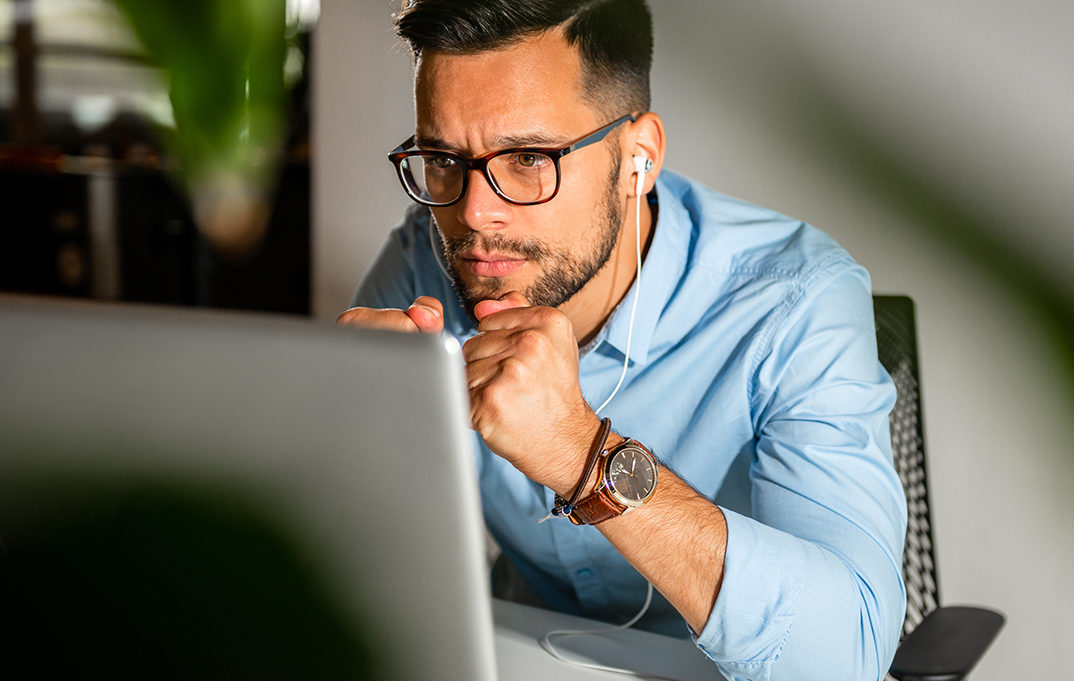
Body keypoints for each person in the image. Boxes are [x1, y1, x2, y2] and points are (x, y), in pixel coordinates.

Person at [338, 2, 907, 680]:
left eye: (527, 158)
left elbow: (848, 659)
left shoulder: (795, 301)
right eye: (441, 158)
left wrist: (584, 456)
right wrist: (342, 440)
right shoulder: (422, 261)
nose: (472, 213)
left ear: (638, 159)